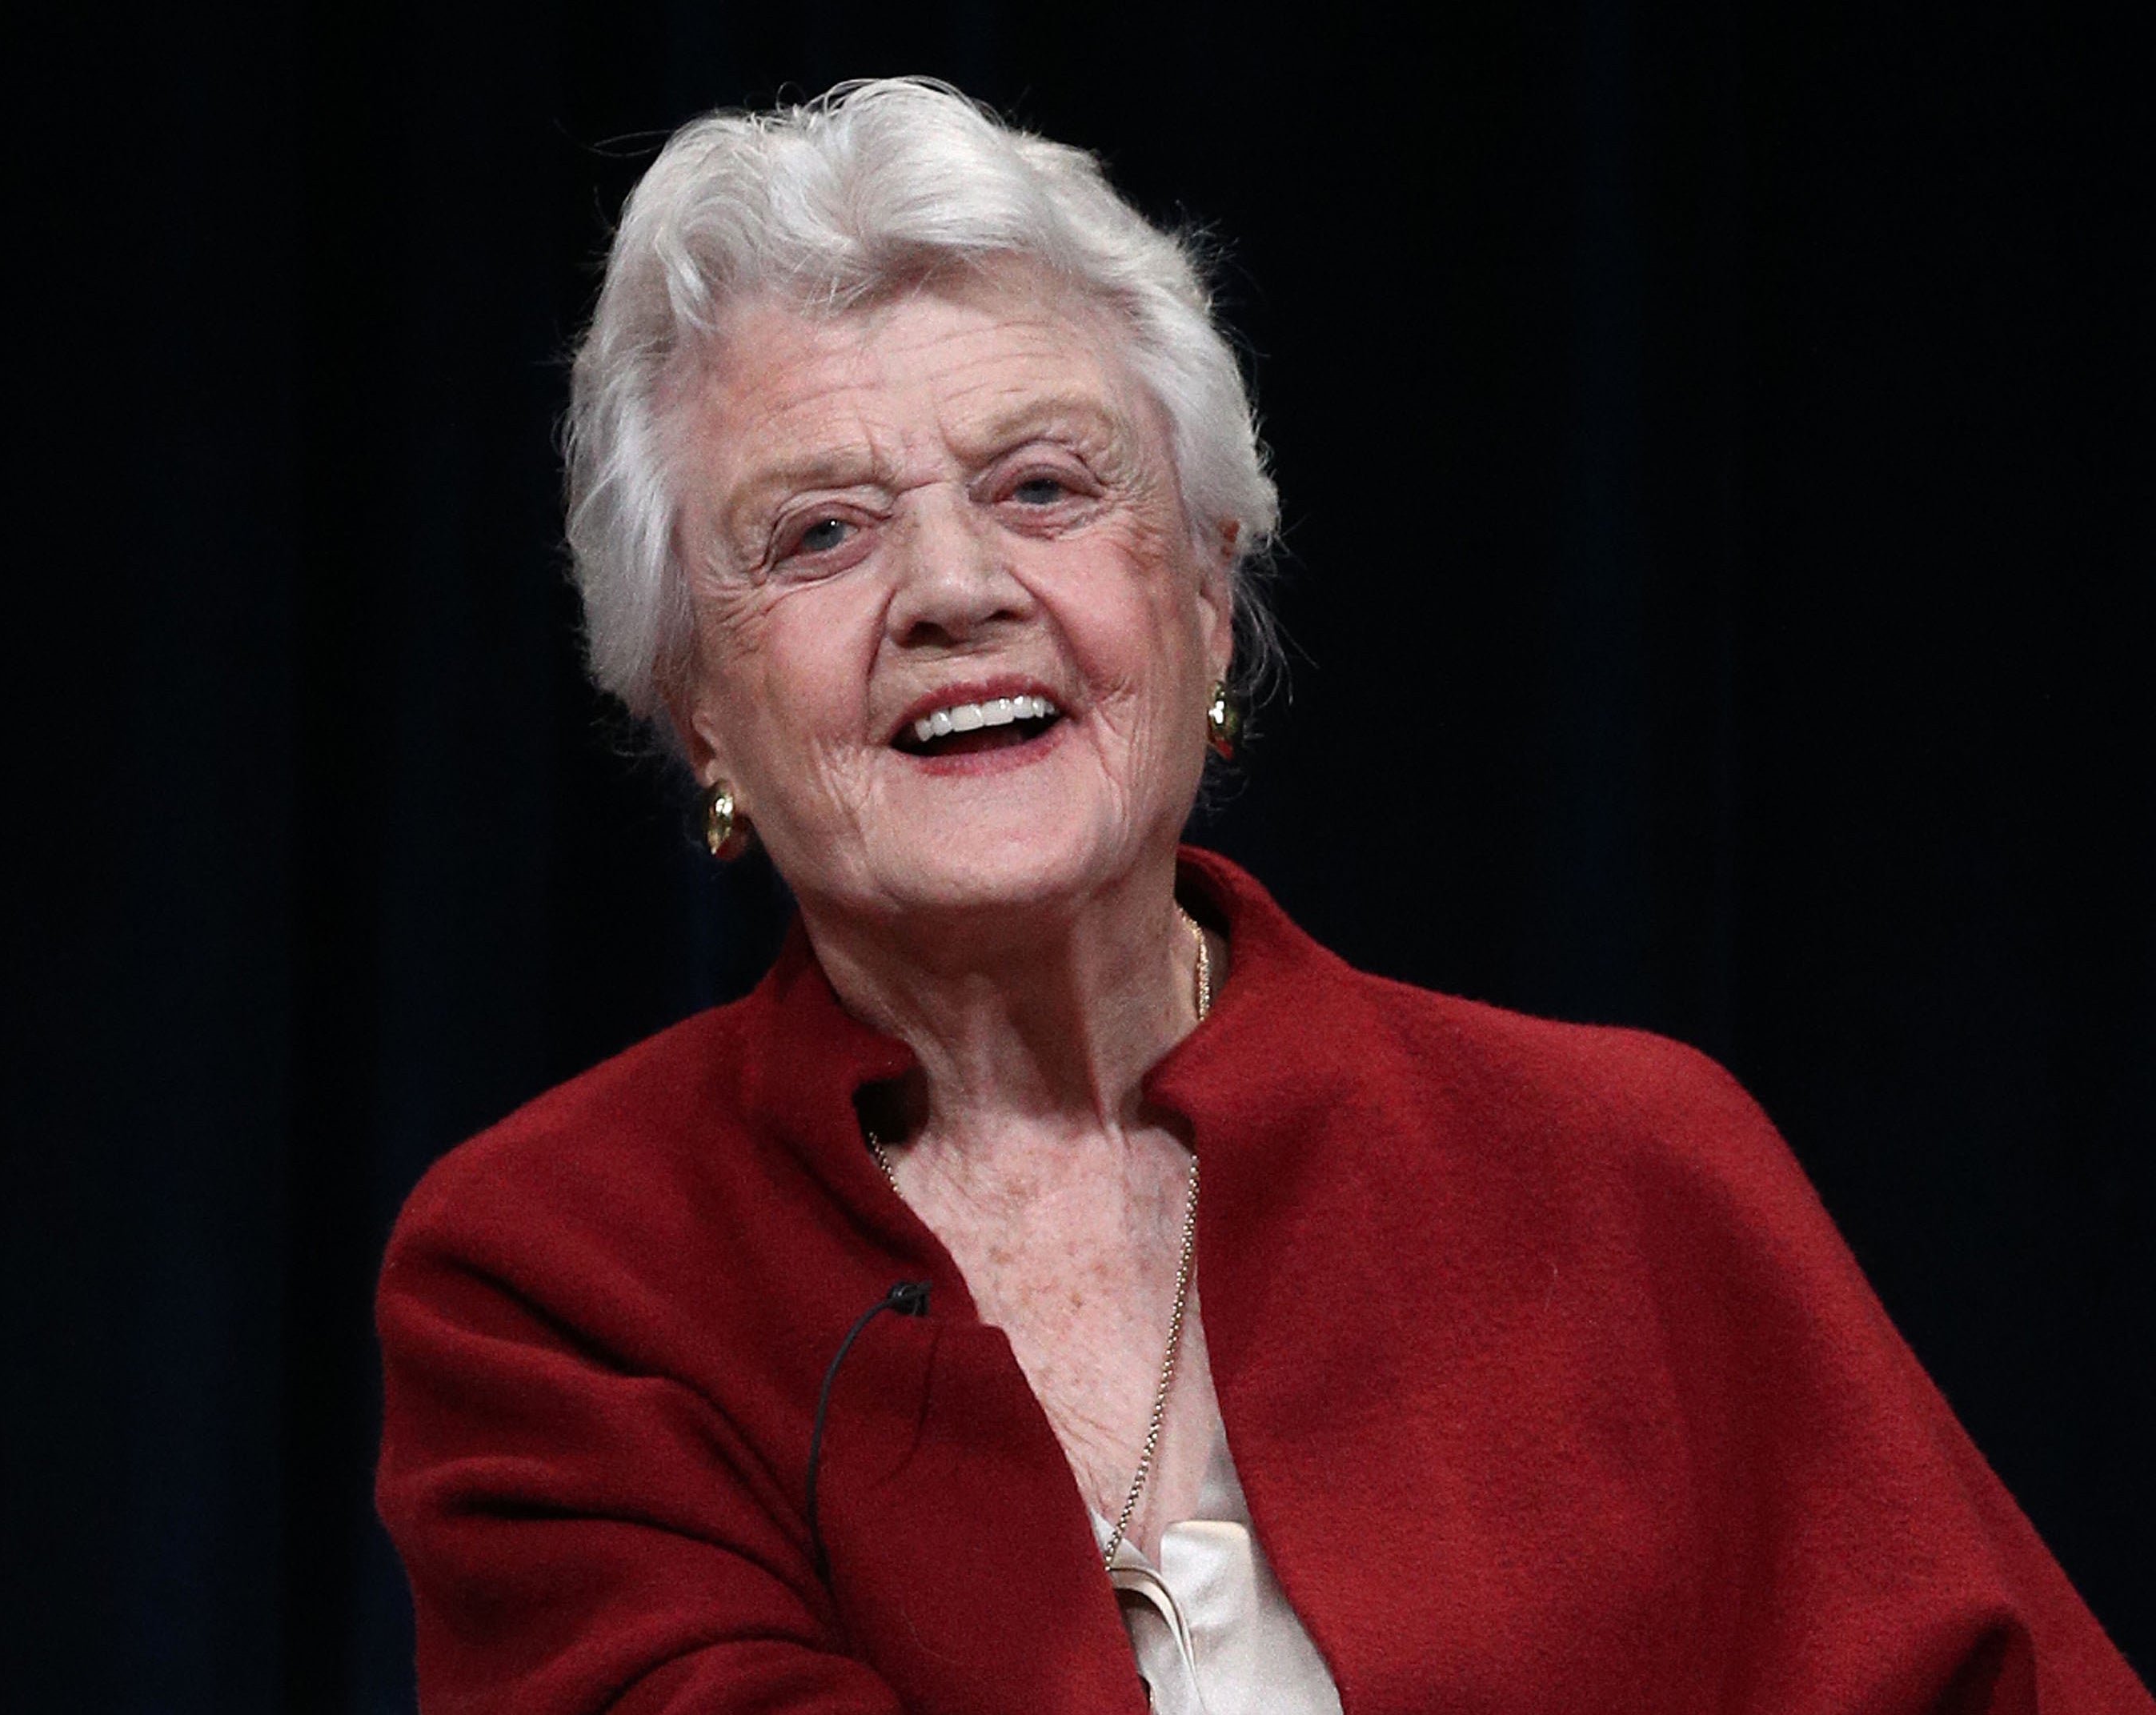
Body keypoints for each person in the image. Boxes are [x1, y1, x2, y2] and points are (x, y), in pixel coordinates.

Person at [373, 78, 2151, 1715]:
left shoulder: (1630, 1172)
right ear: (697, 703)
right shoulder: (556, 1275)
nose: (956, 588)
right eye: (822, 533)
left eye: (1046, 486)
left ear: (1209, 597)